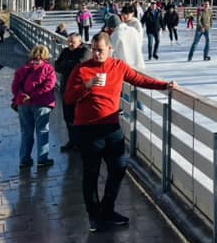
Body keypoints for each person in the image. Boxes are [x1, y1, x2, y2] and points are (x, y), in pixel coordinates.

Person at [64, 31, 177, 232]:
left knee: (119, 166)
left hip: (111, 126)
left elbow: (139, 80)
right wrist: (87, 86)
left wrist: (165, 86)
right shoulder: (81, 69)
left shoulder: (118, 66)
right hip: (87, 129)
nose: (97, 54)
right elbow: (68, 98)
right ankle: (94, 216)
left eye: (101, 50)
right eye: (94, 50)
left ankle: (107, 210)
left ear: (110, 49)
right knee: (91, 173)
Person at [11, 44, 57, 169]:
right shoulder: (48, 69)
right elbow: (49, 87)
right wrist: (33, 97)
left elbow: (15, 88)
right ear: (46, 55)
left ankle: (24, 160)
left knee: (26, 132)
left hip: (23, 105)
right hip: (42, 104)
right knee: (42, 131)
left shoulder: (22, 69)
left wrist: (23, 97)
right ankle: (42, 159)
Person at [55, 32, 92, 152]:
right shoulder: (65, 51)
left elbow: (78, 66)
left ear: (80, 42)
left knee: (81, 117)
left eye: (73, 42)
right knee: (68, 117)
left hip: (80, 90)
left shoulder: (85, 51)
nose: (70, 44)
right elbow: (57, 66)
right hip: (66, 88)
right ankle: (72, 141)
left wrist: (67, 65)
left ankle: (82, 142)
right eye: (69, 41)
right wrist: (69, 65)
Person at [112, 5, 145, 71]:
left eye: (127, 14)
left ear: (132, 13)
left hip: (133, 52)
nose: (124, 16)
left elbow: (138, 40)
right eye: (123, 14)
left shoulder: (136, 24)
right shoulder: (121, 23)